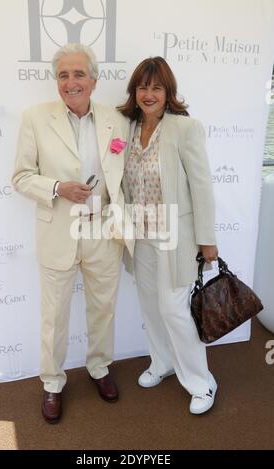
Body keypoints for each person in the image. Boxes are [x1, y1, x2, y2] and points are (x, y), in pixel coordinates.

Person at [12, 43, 133, 424]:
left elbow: (123, 175)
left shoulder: (117, 119)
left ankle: (99, 368)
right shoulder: (34, 117)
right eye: (63, 75)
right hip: (58, 233)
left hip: (102, 231)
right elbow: (20, 177)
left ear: (94, 80)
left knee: (104, 308)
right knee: (55, 316)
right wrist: (57, 188)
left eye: (79, 74)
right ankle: (52, 382)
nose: (71, 82)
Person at [118, 57, 218, 415]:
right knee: (150, 305)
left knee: (175, 309)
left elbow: (201, 186)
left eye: (156, 87)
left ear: (167, 92)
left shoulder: (184, 129)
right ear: (135, 91)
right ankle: (162, 362)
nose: (149, 94)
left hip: (175, 235)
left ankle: (201, 382)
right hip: (140, 234)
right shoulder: (126, 128)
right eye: (143, 87)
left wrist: (207, 239)